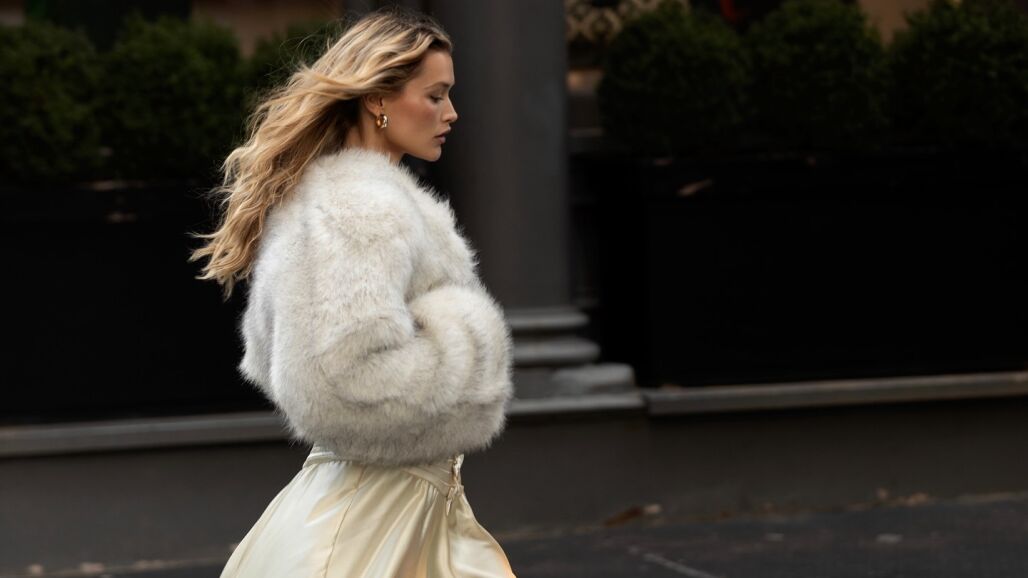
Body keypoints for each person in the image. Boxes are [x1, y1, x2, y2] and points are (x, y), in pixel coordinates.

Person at [188, 6, 517, 577]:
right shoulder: (362, 207)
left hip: (392, 509)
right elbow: (340, 378)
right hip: (372, 521)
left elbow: (284, 359)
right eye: (435, 95)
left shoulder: (339, 198)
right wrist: (467, 343)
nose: (451, 113)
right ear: (378, 99)